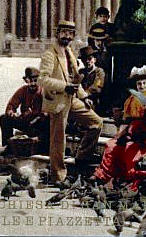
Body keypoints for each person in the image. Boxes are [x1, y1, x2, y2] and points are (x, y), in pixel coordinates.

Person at [39, 20, 103, 183]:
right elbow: (43, 80)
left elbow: (76, 80)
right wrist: (64, 86)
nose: (67, 36)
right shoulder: (50, 54)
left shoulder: (69, 52)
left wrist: (84, 97)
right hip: (58, 101)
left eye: (70, 33)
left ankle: (82, 157)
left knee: (96, 122)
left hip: (72, 99)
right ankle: (58, 176)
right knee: (58, 141)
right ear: (57, 33)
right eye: (64, 32)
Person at [94, 66, 146, 188]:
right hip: (134, 128)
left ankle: (134, 177)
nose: (141, 86)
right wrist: (120, 121)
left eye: (144, 83)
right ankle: (104, 175)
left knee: (132, 149)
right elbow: (127, 117)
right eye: (139, 84)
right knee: (112, 146)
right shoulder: (132, 98)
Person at [0, 66, 48, 154]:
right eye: (30, 81)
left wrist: (35, 117)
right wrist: (11, 113)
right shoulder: (22, 90)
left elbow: (47, 111)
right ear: (26, 81)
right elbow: (11, 105)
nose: (33, 84)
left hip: (38, 123)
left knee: (47, 121)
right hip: (26, 121)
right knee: (4, 118)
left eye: (35, 81)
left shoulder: (44, 91)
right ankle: (8, 146)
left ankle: (44, 148)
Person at [79, 46, 106, 114]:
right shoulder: (81, 72)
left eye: (89, 58)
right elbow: (77, 85)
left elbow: (97, 88)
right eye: (84, 59)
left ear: (94, 60)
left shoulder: (99, 72)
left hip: (94, 101)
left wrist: (84, 95)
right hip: (81, 99)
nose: (87, 61)